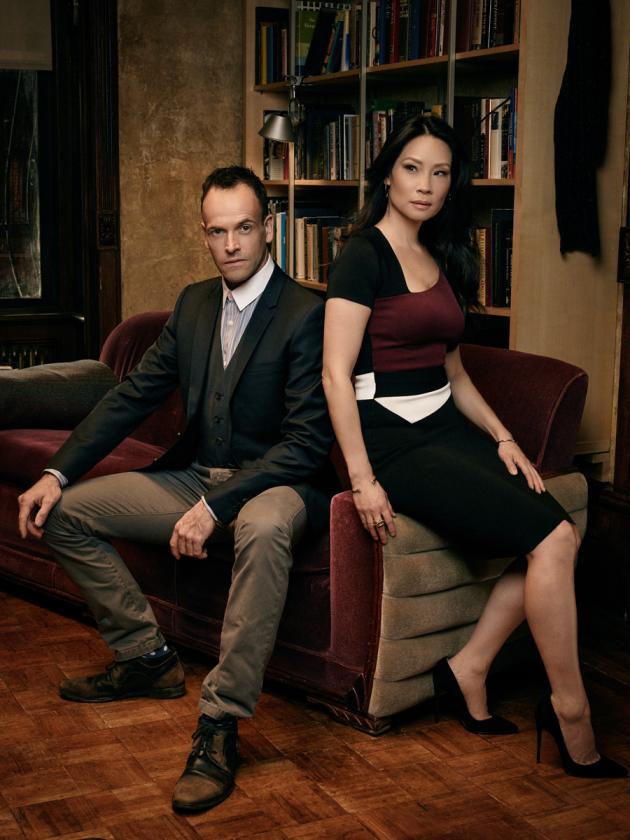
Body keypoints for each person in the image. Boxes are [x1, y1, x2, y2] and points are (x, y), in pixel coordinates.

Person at [17, 165, 333, 813]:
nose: (232, 245)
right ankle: (147, 657)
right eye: (217, 232)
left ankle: (219, 722)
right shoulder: (193, 305)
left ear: (268, 227)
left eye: (244, 228)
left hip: (279, 484)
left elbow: (305, 444)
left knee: (262, 526)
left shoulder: (307, 313)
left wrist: (216, 507)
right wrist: (56, 472)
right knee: (65, 513)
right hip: (198, 475)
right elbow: (131, 396)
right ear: (204, 234)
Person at [322, 115, 627, 779]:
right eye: (411, 168)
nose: (425, 185)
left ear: (451, 183)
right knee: (554, 539)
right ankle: (571, 709)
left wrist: (503, 437)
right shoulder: (362, 255)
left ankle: (469, 667)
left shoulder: (446, 255)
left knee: (555, 532)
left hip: (444, 428)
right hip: (391, 440)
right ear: (386, 173)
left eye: (439, 172)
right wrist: (363, 479)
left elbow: (454, 373)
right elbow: (334, 375)